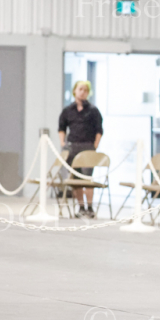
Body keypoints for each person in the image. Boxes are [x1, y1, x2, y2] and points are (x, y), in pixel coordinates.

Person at [58, 81, 103, 219]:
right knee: (76, 179)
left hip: (88, 146)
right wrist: (63, 143)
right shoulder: (68, 110)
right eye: (80, 89)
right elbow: (61, 127)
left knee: (87, 178)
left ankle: (90, 207)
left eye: (85, 90)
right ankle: (81, 207)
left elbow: (99, 130)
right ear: (74, 91)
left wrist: (95, 145)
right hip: (73, 146)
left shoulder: (93, 111)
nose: (83, 92)